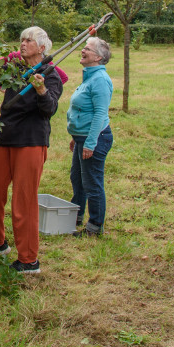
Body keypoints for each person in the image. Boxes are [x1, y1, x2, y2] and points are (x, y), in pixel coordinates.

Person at [0, 27, 67, 274]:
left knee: (23, 202)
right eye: (22, 39)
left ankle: (29, 261)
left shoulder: (50, 75)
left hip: (30, 142)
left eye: (29, 40)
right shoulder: (14, 67)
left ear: (42, 48)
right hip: (6, 137)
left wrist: (40, 90)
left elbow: (49, 109)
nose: (23, 43)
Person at [66, 36, 114, 237]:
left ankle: (94, 226)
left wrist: (90, 143)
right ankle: (75, 216)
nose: (82, 50)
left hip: (94, 139)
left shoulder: (101, 80)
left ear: (98, 57)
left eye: (87, 48)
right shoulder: (90, 76)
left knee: (92, 182)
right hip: (82, 138)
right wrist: (76, 137)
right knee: (77, 178)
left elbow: (100, 114)